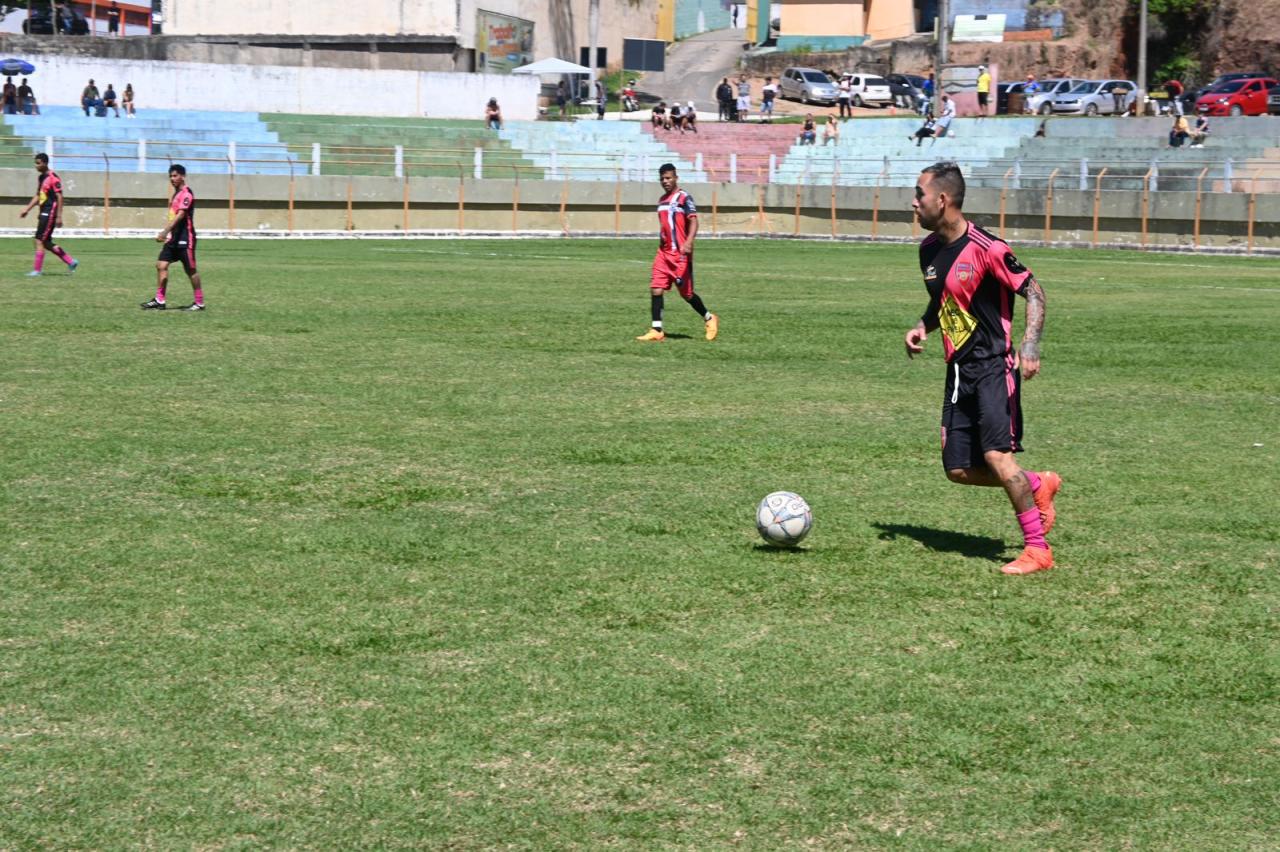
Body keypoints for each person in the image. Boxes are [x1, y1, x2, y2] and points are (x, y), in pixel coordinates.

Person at [904, 161, 1059, 576]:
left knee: (996, 456)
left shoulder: (988, 248)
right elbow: (944, 303)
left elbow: (1035, 292)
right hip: (958, 372)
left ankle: (1037, 550)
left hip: (993, 367)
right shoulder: (928, 251)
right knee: (957, 469)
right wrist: (923, 326)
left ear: (942, 199)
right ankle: (1039, 485)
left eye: (919, 195)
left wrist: (1029, 344)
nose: (913, 203)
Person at [636, 164, 718, 343]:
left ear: (676, 178)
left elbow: (694, 221)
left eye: (668, 178)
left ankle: (709, 318)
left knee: (686, 294)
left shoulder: (684, 198)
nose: (665, 181)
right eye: (662, 178)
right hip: (664, 253)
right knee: (656, 289)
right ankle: (657, 329)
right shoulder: (662, 200)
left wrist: (688, 242)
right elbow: (665, 227)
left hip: (681, 254)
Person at [142, 165, 204, 311]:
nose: (172, 179)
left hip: (185, 238)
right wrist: (169, 234)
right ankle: (160, 300)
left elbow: (181, 215)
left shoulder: (187, 193)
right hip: (174, 238)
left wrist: (165, 232)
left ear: (182, 176)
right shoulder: (175, 194)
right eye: (170, 176)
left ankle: (199, 302)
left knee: (190, 270)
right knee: (161, 265)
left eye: (175, 176)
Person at [18, 153, 79, 278]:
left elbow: (60, 196)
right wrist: (27, 209)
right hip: (44, 211)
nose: (36, 165)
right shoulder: (41, 178)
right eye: (35, 163)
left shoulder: (53, 177)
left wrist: (59, 216)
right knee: (45, 242)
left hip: (50, 211)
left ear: (45, 163)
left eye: (38, 163)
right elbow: (38, 195)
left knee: (39, 239)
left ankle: (37, 271)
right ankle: (71, 261)